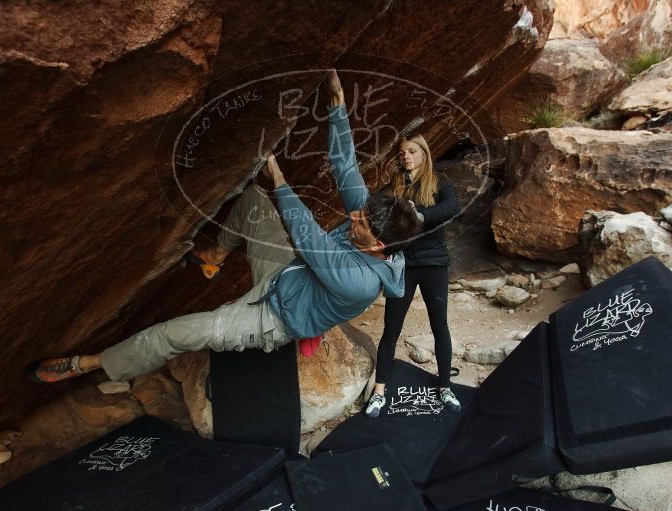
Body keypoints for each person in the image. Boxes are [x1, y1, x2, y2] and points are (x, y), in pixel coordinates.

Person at [29, 72, 422, 384]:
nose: (354, 215)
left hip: (272, 320)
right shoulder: (374, 218)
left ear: (378, 245)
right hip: (286, 274)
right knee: (252, 200)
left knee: (170, 334)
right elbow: (346, 167)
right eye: (359, 213)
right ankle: (215, 256)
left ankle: (86, 364)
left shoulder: (362, 283)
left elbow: (310, 237)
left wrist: (281, 180)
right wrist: (336, 102)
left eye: (361, 223)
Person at [364, 131, 462, 417]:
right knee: (391, 329)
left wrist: (418, 214)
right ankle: (379, 392)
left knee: (439, 327)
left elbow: (451, 208)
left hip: (433, 263)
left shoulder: (439, 181)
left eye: (412, 151)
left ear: (424, 153)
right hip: (403, 265)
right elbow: (374, 209)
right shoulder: (394, 185)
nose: (406, 156)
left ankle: (444, 386)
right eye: (402, 153)